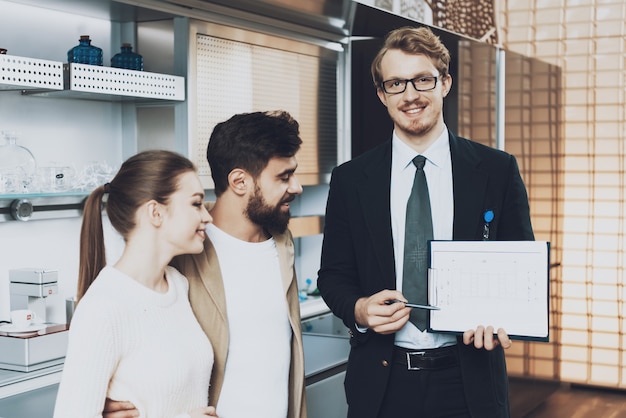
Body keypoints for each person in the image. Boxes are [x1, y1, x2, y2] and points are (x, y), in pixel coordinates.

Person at [317, 26, 535, 418]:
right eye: (396, 83)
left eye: (422, 80)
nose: (411, 95)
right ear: (382, 94)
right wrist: (361, 309)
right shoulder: (351, 179)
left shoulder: (497, 170)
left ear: (444, 83)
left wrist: (499, 317)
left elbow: (518, 272)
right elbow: (333, 275)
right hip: (382, 385)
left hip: (470, 382)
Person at [104, 110, 307, 418]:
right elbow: (121, 333)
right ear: (239, 181)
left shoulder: (282, 242)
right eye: (283, 177)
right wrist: (110, 399)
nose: (296, 187)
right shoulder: (181, 251)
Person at [53, 150, 217, 418]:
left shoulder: (178, 285)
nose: (207, 216)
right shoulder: (103, 308)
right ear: (155, 212)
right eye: (196, 204)